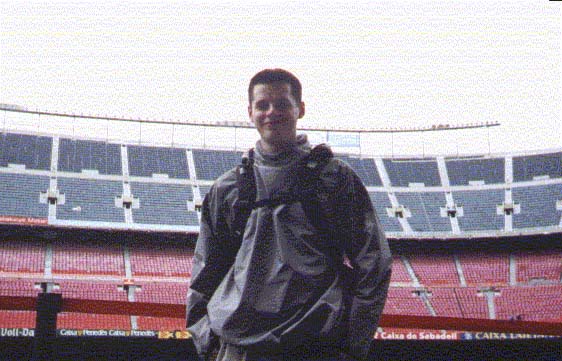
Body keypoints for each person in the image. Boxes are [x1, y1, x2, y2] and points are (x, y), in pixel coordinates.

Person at [186, 68, 392, 361]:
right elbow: (205, 272)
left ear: (300, 109)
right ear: (250, 112)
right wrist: (208, 342)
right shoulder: (228, 189)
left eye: (282, 103)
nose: (272, 112)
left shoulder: (334, 179)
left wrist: (352, 346)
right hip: (238, 349)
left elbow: (373, 262)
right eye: (263, 105)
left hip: (314, 346)